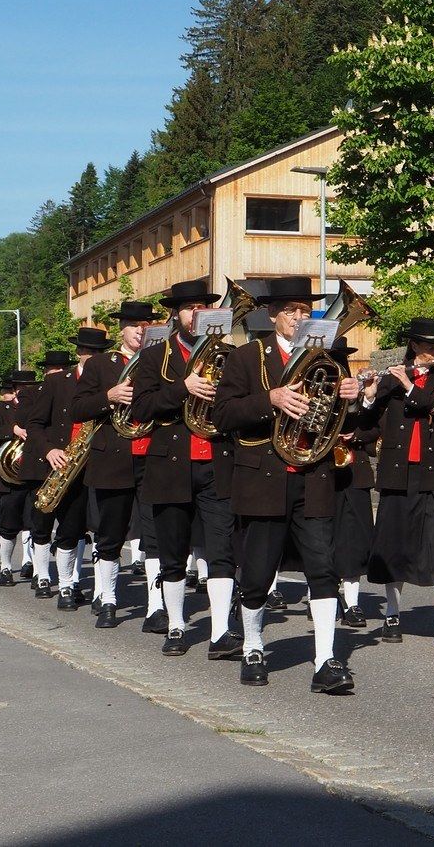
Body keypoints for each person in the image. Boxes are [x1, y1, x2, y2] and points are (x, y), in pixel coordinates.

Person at [211, 277, 359, 694]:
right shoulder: (246, 357)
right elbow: (223, 415)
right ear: (273, 315)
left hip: (313, 477)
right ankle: (253, 647)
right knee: (258, 573)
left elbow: (344, 421)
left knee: (323, 569)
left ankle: (325, 660)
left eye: (304, 310)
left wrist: (354, 398)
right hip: (263, 479)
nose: (298, 317)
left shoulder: (329, 357)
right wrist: (270, 400)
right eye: (290, 310)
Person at [130, 279, 237, 656]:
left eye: (203, 307)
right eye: (190, 308)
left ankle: (221, 632)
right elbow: (141, 408)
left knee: (222, 551)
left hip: (216, 462)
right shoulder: (153, 356)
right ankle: (176, 626)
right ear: (176, 314)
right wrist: (182, 388)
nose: (197, 313)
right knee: (173, 552)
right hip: (170, 466)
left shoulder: (228, 354)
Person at [358, 317, 434, 648]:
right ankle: (392, 615)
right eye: (430, 346)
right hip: (398, 472)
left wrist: (409, 386)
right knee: (394, 545)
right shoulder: (390, 379)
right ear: (415, 345)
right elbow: (367, 423)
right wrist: (369, 395)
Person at [70, 300, 159, 628]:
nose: (140, 331)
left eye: (146, 325)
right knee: (110, 533)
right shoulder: (100, 364)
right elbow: (78, 409)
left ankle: (156, 607)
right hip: (113, 458)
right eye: (135, 326)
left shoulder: (159, 361)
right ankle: (107, 598)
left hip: (153, 457)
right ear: (122, 329)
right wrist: (108, 396)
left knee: (155, 536)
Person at [24, 341, 100, 609]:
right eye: (89, 352)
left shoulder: (106, 382)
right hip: (59, 462)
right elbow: (35, 424)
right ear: (79, 354)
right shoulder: (57, 382)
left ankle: (71, 584)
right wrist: (49, 450)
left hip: (92, 464)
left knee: (76, 528)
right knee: (47, 523)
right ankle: (49, 577)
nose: (93, 357)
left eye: (98, 352)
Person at [326, 337, 377, 630]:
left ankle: (353, 602)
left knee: (355, 539)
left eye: (342, 358)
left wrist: (366, 400)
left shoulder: (356, 391)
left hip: (355, 471)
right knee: (323, 537)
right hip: (322, 471)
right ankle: (323, 596)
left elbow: (373, 429)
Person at [0, 372, 37, 583]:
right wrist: (12, 429)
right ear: (14, 389)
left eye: (30, 387)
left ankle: (29, 562)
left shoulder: (40, 407)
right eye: (21, 387)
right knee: (8, 523)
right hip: (6, 477)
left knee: (32, 522)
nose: (26, 391)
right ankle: (5, 566)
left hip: (33, 474)